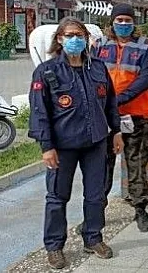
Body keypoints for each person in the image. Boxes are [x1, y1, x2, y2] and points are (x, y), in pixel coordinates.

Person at [28, 17, 123, 270]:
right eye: (69, 35)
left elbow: (110, 102)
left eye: (79, 35)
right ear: (59, 39)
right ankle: (54, 246)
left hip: (95, 142)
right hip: (63, 146)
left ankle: (93, 238)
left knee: (95, 195)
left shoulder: (98, 68)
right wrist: (46, 146)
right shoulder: (47, 71)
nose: (75, 40)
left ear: (87, 39)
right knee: (57, 197)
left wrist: (116, 131)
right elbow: (39, 112)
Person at [95, 4, 148, 232]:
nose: (123, 24)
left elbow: (145, 78)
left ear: (134, 22)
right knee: (102, 165)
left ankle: (140, 208)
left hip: (135, 115)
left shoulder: (145, 46)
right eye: (119, 20)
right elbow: (91, 75)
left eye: (127, 20)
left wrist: (118, 99)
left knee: (137, 162)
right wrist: (108, 102)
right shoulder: (99, 45)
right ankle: (97, 211)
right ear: (112, 22)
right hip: (104, 116)